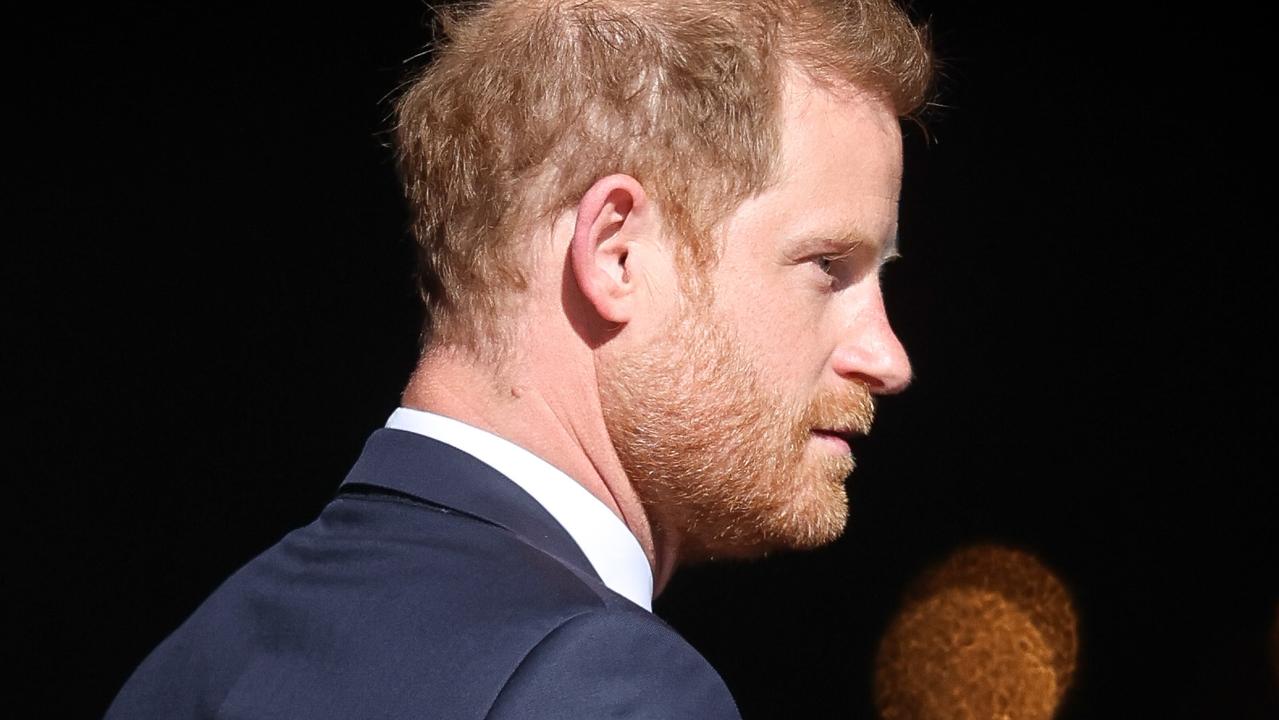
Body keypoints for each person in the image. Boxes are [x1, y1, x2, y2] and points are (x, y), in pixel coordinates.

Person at [106, 1, 932, 717]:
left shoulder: (190, 662)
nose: (885, 357)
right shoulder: (600, 688)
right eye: (828, 267)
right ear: (616, 253)